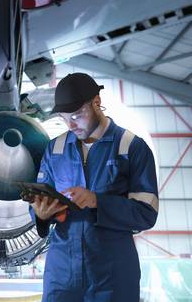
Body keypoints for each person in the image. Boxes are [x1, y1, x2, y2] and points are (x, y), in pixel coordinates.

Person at [25, 73, 158, 302]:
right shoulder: (54, 149)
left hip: (113, 274)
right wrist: (41, 215)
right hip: (62, 272)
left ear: (97, 102)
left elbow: (146, 214)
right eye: (64, 118)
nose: (71, 125)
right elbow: (39, 200)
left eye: (77, 115)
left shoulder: (131, 147)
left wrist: (98, 201)